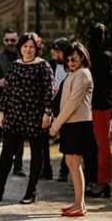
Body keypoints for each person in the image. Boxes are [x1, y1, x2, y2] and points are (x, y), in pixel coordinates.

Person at [0, 32, 54, 204]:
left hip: (36, 116)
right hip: (14, 114)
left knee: (36, 154)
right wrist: (1, 112)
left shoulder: (43, 66)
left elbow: (49, 91)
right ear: (20, 48)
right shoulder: (14, 65)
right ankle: (0, 188)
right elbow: (7, 91)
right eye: (25, 46)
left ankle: (30, 192)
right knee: (6, 154)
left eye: (31, 47)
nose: (28, 50)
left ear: (37, 48)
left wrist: (47, 113)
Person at [50, 43, 98, 216]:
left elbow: (72, 103)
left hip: (78, 124)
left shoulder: (83, 74)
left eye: (74, 59)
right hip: (70, 124)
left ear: (83, 58)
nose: (70, 63)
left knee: (74, 164)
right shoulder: (73, 74)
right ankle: (79, 203)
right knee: (71, 163)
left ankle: (79, 205)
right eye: (68, 60)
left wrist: (55, 125)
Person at [0, 29, 24, 177]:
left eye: (12, 40)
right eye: (7, 40)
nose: (9, 43)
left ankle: (18, 166)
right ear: (4, 41)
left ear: (17, 40)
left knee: (20, 134)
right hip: (0, 101)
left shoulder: (23, 55)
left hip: (20, 101)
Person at [84, 23, 112, 198]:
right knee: (97, 145)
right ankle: (99, 180)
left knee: (103, 145)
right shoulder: (98, 55)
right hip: (95, 104)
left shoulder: (103, 56)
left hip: (101, 104)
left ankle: (103, 181)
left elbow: (105, 81)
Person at [47, 37, 70, 182]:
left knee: (66, 140)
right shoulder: (50, 65)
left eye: (57, 53)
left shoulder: (71, 66)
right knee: (45, 138)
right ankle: (46, 170)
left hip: (67, 107)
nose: (55, 56)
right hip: (52, 106)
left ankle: (64, 171)